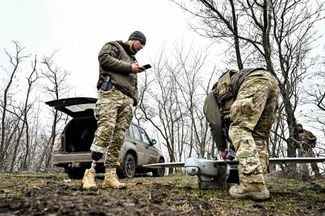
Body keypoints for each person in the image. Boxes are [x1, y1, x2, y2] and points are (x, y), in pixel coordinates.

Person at [82, 31, 147, 190]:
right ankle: (89, 173)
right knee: (106, 129)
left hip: (127, 99)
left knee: (119, 137)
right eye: (141, 44)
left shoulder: (133, 60)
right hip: (111, 93)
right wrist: (129, 67)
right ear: (133, 39)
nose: (142, 48)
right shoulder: (114, 46)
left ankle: (110, 175)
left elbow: (134, 84)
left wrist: (134, 99)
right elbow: (104, 59)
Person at [204, 68, 279, 201]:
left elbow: (215, 123)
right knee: (258, 137)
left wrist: (221, 148)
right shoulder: (234, 86)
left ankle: (252, 184)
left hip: (254, 81)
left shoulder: (211, 97)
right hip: (271, 82)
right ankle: (258, 183)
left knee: (239, 128)